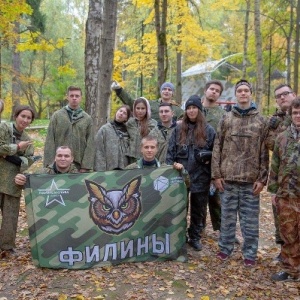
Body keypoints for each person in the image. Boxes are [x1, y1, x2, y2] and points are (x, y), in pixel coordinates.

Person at [211, 79, 269, 267]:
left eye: (246, 91)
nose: (243, 93)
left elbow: (263, 151)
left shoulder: (261, 120)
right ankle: (224, 249)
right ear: (235, 95)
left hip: (250, 181)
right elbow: (217, 147)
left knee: (250, 221)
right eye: (240, 91)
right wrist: (216, 175)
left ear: (250, 93)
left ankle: (250, 253)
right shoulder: (226, 119)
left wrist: (262, 179)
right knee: (227, 219)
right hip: (228, 179)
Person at [167, 95, 215, 251]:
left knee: (198, 210)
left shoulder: (209, 131)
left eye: (194, 108)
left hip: (201, 176)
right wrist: (173, 165)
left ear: (199, 110)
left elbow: (216, 154)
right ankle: (180, 236)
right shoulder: (178, 130)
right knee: (180, 208)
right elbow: (170, 154)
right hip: (181, 177)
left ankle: (195, 236)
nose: (191, 111)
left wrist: (213, 174)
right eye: (188, 108)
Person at [268, 98, 300, 282]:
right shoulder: (282, 137)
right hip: (286, 195)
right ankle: (291, 271)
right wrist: (273, 191)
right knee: (288, 234)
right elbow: (275, 166)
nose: (298, 116)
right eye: (295, 112)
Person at [265, 84, 296, 259]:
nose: (282, 97)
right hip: (283, 178)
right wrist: (273, 128)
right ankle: (285, 251)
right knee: (282, 217)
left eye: (285, 94)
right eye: (278, 96)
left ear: (294, 94)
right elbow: (272, 146)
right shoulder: (276, 120)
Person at [0, 105, 35, 253]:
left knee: (10, 217)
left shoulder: (28, 139)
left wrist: (9, 156)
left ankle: (7, 247)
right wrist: (17, 147)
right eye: (23, 116)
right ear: (16, 116)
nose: (25, 120)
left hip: (13, 182)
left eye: (29, 118)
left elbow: (29, 160)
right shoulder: (4, 128)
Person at [44, 86, 94, 172]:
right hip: (59, 164)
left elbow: (90, 143)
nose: (74, 98)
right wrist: (49, 164)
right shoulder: (57, 116)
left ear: (81, 98)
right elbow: (50, 140)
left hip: (79, 164)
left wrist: (86, 166)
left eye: (77, 96)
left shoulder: (87, 119)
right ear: (67, 97)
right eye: (72, 96)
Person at [201, 80, 226, 234]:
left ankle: (222, 229)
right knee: (199, 198)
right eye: (212, 89)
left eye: (217, 90)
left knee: (216, 198)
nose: (214, 92)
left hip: (215, 161)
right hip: (196, 162)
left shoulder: (223, 115)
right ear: (205, 90)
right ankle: (199, 229)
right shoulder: (194, 109)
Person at [111, 81, 183, 122]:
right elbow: (133, 104)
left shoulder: (178, 110)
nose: (166, 91)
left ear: (173, 93)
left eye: (169, 90)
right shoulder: (150, 104)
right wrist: (119, 90)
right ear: (161, 91)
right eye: (164, 89)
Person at [94, 105, 131, 171]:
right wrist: (100, 170)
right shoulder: (105, 129)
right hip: (108, 168)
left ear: (126, 118)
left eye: (124, 113)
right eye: (120, 111)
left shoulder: (128, 131)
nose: (121, 113)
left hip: (125, 168)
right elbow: (98, 150)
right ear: (116, 112)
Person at [126, 97, 157, 164]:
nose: (140, 111)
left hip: (146, 158)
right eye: (138, 108)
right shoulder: (130, 123)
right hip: (131, 157)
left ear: (147, 109)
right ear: (134, 109)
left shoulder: (152, 123)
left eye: (143, 108)